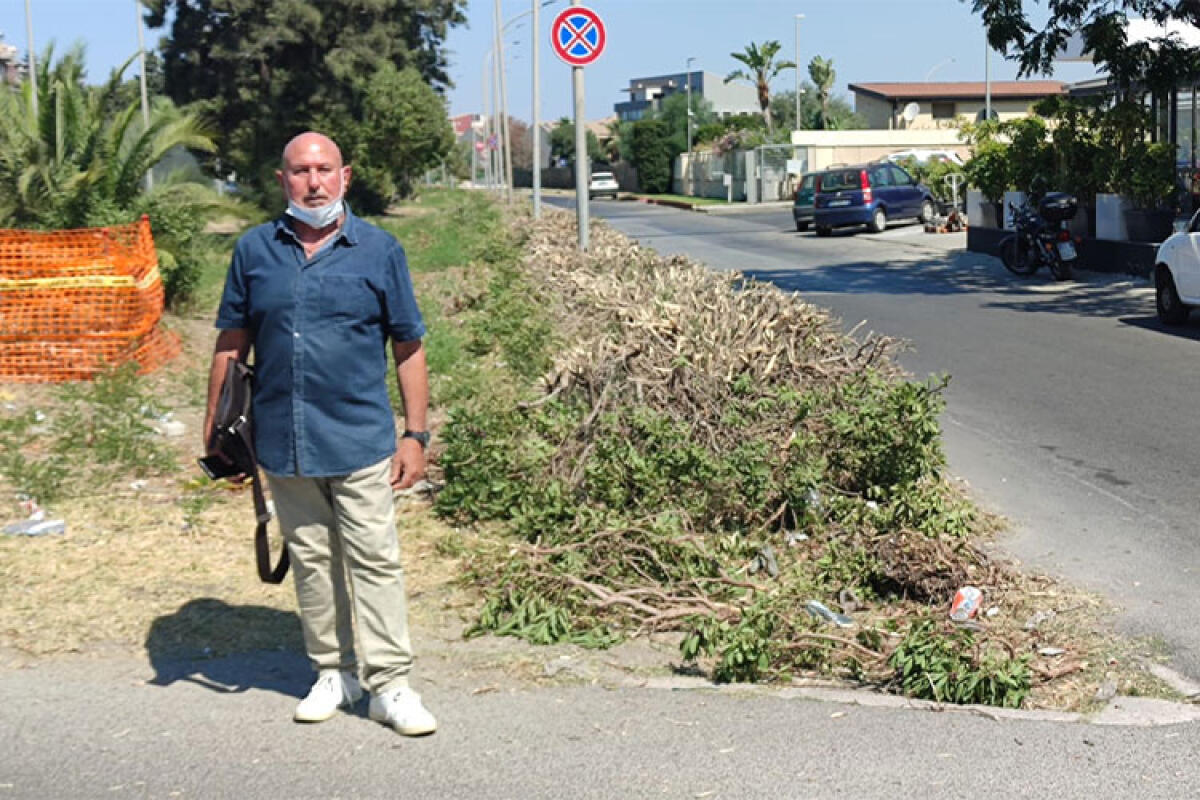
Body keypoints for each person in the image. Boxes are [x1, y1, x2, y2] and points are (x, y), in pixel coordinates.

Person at [203, 131, 436, 736]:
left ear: (345, 176)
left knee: (375, 561)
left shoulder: (378, 250)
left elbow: (408, 346)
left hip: (360, 438)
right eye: (300, 170)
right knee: (310, 559)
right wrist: (216, 430)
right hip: (284, 439)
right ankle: (334, 672)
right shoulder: (255, 251)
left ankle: (390, 685)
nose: (313, 181)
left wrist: (416, 434)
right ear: (281, 180)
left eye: (324, 169)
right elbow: (232, 343)